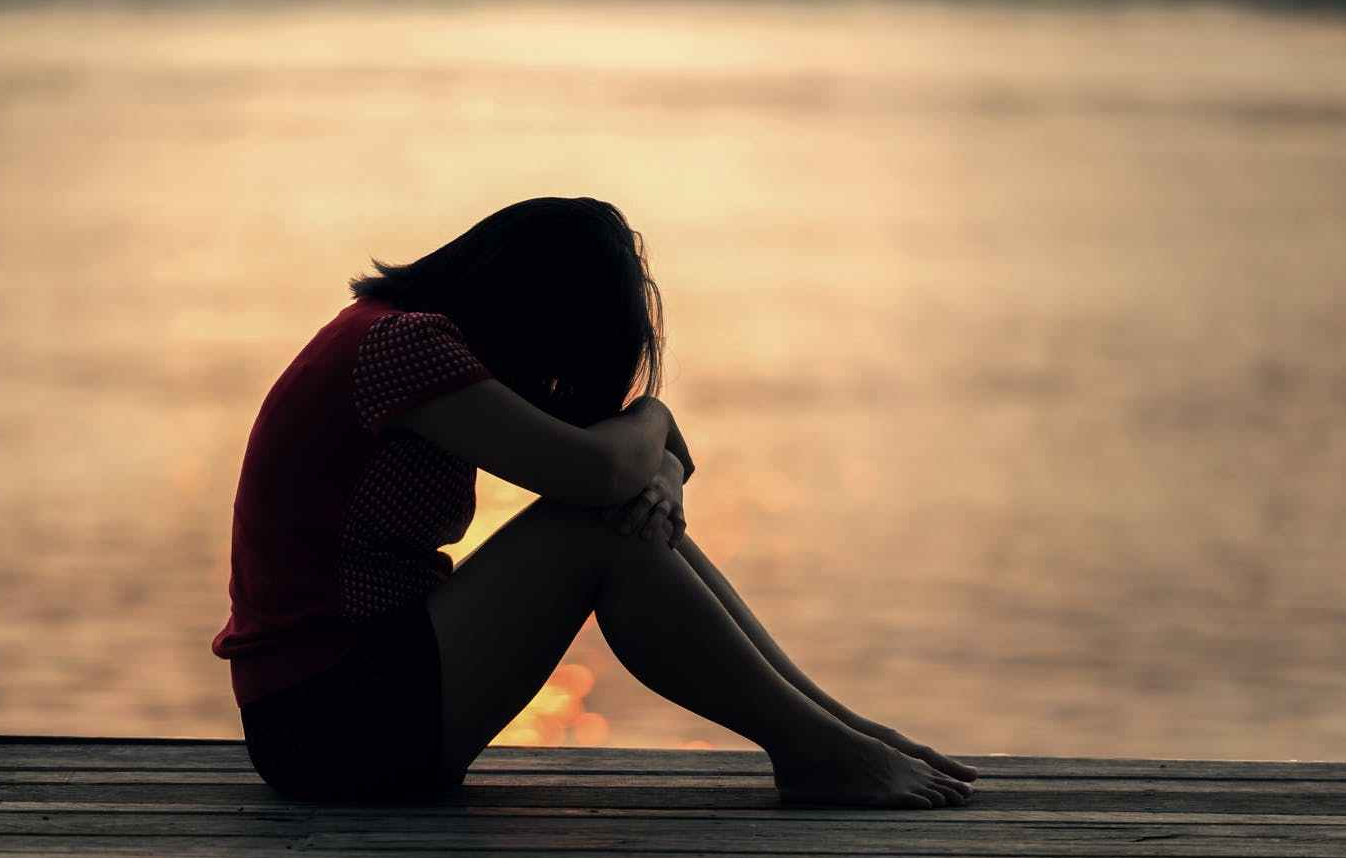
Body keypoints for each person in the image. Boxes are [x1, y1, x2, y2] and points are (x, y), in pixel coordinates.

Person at [210, 196, 979, 807]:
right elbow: (599, 471)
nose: (554, 383)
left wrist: (659, 465)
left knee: (614, 520)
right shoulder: (404, 348)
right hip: (330, 726)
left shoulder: (396, 339)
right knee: (594, 529)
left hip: (346, 707)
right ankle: (818, 748)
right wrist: (656, 419)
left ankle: (835, 731)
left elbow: (619, 467)